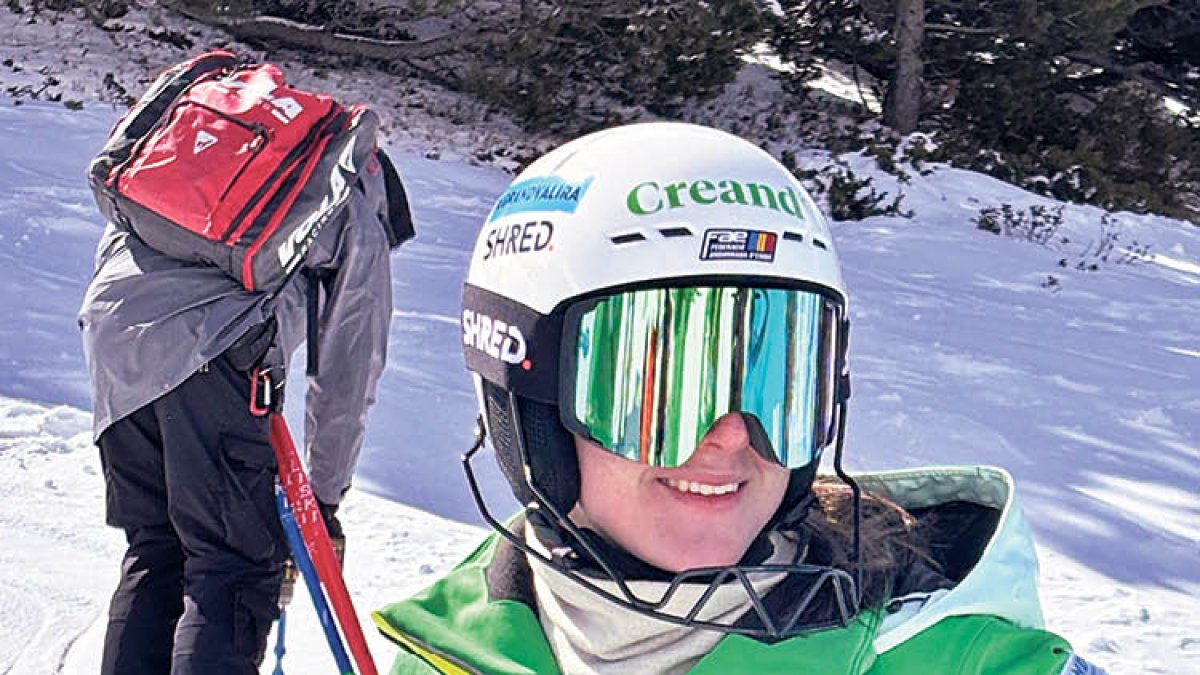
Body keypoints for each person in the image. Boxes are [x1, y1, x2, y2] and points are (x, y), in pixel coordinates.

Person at [372, 122, 1105, 674]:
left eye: (772, 384)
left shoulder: (956, 657)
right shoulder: (447, 648)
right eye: (660, 390)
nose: (729, 436)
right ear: (525, 403)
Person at [79, 138, 410, 672]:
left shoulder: (235, 154)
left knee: (158, 549)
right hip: (214, 349)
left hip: (114, 332)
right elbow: (349, 365)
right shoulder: (355, 194)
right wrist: (322, 504)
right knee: (235, 567)